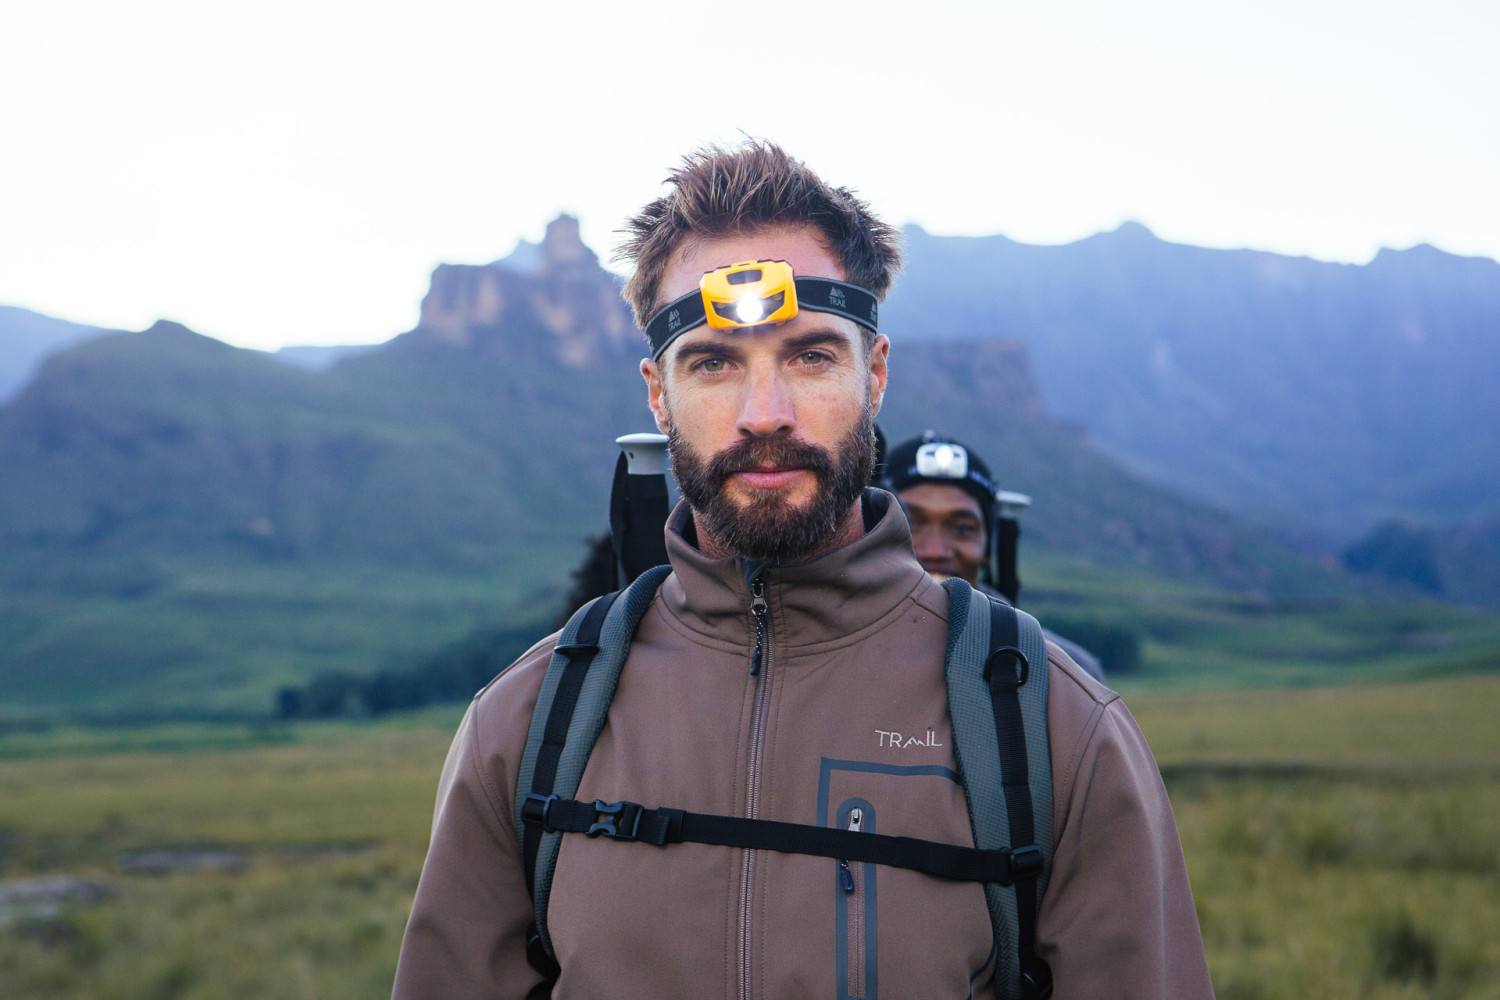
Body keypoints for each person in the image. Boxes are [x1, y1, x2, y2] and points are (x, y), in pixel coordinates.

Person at [392, 140, 1212, 999]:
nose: (765, 415)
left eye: (811, 357)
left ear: (877, 374)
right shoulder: (525, 730)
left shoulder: (1052, 728)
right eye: (713, 362)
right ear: (657, 394)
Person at [882, 431, 1108, 682]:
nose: (936, 550)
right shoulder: (839, 652)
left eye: (962, 528)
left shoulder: (1068, 672)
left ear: (987, 548)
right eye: (909, 523)